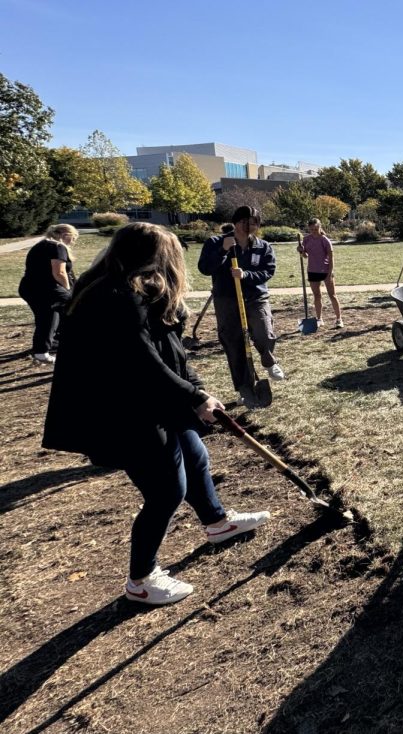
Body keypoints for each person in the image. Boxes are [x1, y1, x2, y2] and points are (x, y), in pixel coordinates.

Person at [42, 223, 271, 606]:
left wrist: (197, 390)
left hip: (153, 397)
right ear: (152, 257)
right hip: (122, 409)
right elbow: (140, 363)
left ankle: (216, 522)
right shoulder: (115, 297)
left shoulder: (138, 290)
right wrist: (193, 397)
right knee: (167, 489)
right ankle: (141, 579)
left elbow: (170, 352)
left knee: (195, 455)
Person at [198, 205, 284, 406]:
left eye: (253, 222)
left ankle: (268, 359)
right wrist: (223, 250)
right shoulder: (216, 242)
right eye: (244, 221)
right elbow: (204, 268)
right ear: (235, 222)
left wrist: (246, 275)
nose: (248, 226)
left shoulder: (263, 247)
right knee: (234, 342)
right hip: (227, 299)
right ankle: (245, 387)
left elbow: (268, 271)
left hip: (255, 297)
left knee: (264, 331)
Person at [18, 223, 77, 364]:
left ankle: (46, 346)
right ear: (65, 235)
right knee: (74, 307)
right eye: (73, 237)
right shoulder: (58, 246)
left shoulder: (42, 245)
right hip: (46, 288)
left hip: (30, 287)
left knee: (48, 317)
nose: (73, 241)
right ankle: (43, 351)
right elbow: (59, 272)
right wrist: (68, 290)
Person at [297, 218, 343, 328]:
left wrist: (330, 272)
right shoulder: (306, 240)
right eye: (312, 229)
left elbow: (331, 258)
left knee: (332, 295)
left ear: (320, 227)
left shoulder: (325, 240)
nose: (314, 231)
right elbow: (305, 256)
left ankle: (339, 319)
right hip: (312, 271)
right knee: (317, 296)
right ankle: (319, 319)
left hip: (326, 271)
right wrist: (301, 251)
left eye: (316, 229)